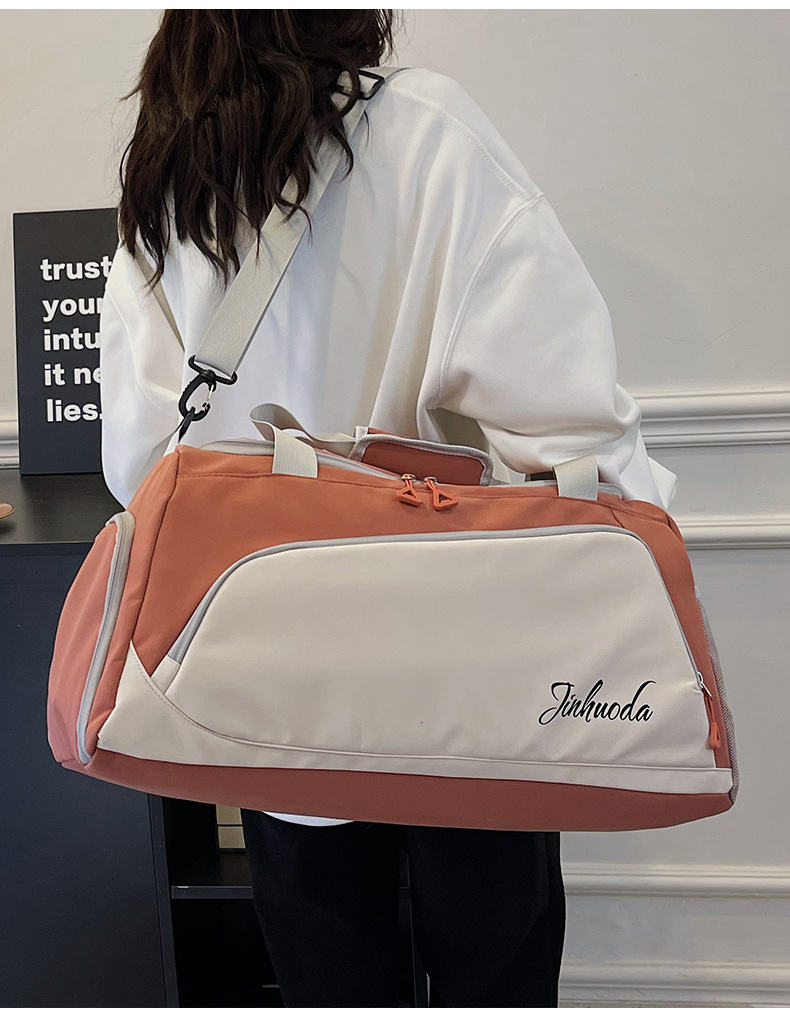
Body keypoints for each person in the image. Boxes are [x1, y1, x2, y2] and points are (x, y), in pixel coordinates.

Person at [99, 10, 676, 1008]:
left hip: (271, 673)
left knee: (327, 971)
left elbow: (140, 460)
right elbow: (570, 428)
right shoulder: (428, 132)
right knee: (493, 972)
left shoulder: (173, 168)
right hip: (469, 674)